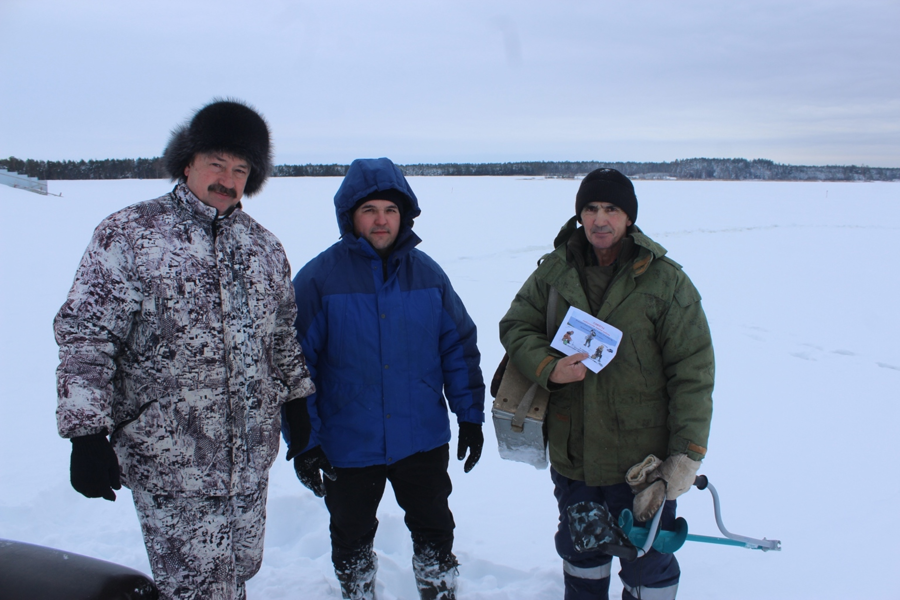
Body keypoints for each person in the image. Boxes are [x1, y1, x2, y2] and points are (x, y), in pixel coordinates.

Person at [54, 99, 316, 600]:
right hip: (171, 462)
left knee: (239, 572)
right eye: (217, 163)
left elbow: (281, 336)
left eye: (241, 168)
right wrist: (86, 434)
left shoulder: (264, 247)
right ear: (188, 161)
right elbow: (87, 336)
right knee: (197, 591)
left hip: (249, 458)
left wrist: (298, 402)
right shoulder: (130, 233)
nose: (227, 178)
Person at [499, 168, 714, 600]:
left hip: (642, 467)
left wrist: (687, 455)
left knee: (648, 561)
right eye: (591, 209)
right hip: (574, 457)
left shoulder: (665, 281)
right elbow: (516, 324)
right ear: (580, 215)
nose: (600, 219)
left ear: (629, 218)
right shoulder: (554, 272)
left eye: (612, 209)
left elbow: (693, 370)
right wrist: (549, 367)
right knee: (582, 553)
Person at [285, 157, 484, 600]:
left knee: (434, 529)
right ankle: (357, 590)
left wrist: (470, 416)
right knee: (352, 536)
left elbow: (458, 347)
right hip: (348, 444)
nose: (381, 220)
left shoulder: (427, 274)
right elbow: (294, 366)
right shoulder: (319, 280)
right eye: (370, 210)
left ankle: (439, 588)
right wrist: (304, 440)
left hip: (421, 437)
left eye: (390, 210)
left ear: (404, 215)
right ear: (351, 217)